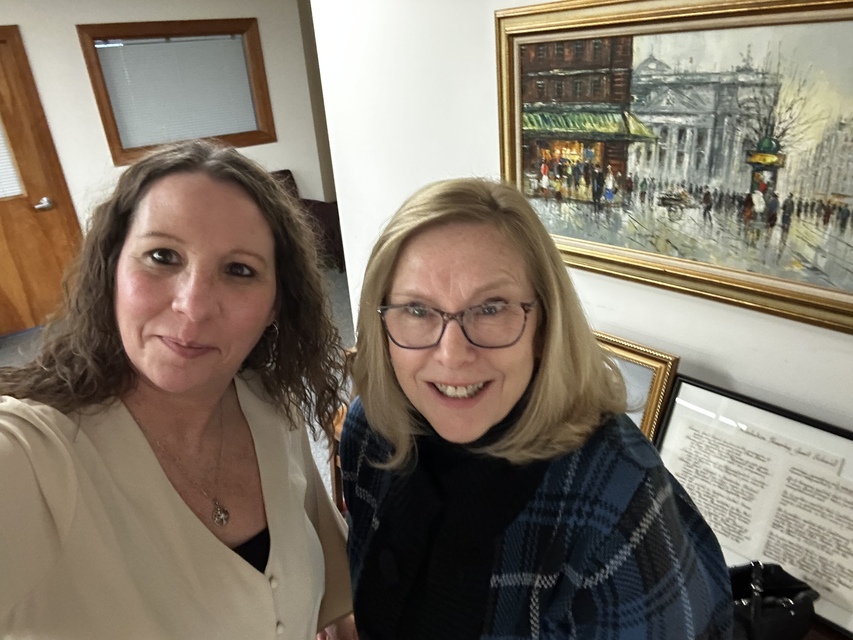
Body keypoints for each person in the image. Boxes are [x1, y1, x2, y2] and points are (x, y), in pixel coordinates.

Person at [340, 178, 733, 639]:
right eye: (417, 310)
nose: (452, 354)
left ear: (544, 325)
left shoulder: (616, 502)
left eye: (491, 308)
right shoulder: (371, 432)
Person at [0, 140, 355, 639]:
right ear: (111, 269)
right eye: (162, 256)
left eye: (239, 270)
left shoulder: (272, 406)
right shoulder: (31, 456)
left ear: (276, 304)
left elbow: (323, 580)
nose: (193, 305)